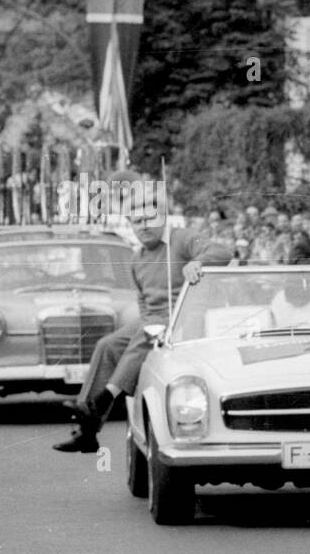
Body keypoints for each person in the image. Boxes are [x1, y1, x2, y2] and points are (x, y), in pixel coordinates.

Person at [52, 172, 234, 453]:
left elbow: (222, 252)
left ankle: (101, 401)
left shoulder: (182, 238)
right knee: (107, 344)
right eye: (136, 221)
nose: (143, 226)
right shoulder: (137, 259)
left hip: (186, 318)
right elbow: (145, 305)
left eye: (148, 219)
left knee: (147, 332)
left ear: (161, 217)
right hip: (155, 319)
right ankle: (86, 428)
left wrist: (197, 263)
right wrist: (146, 322)